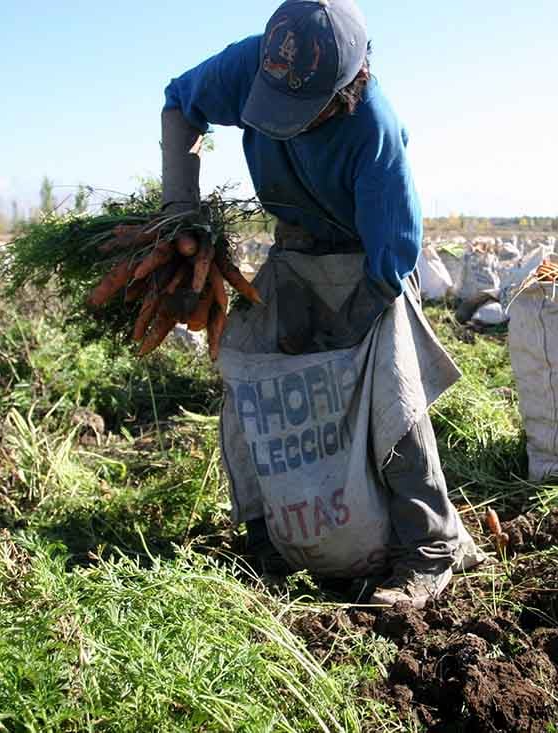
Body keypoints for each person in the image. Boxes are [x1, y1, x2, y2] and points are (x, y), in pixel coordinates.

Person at [160, 0, 480, 608]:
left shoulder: (374, 130)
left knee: (386, 394)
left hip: (367, 263)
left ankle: (429, 549)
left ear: (349, 89)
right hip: (292, 254)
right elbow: (179, 104)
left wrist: (341, 353)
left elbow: (394, 259)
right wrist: (181, 208)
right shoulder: (256, 65)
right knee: (246, 373)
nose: (286, 125)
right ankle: (266, 541)